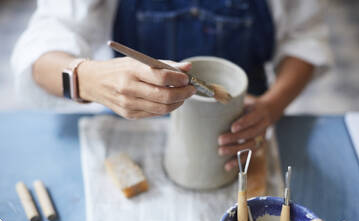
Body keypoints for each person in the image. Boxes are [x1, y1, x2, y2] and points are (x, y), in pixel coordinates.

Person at [11, 0, 331, 171]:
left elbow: (305, 40)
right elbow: (38, 52)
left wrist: (271, 107)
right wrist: (86, 78)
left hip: (241, 140)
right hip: (134, 130)